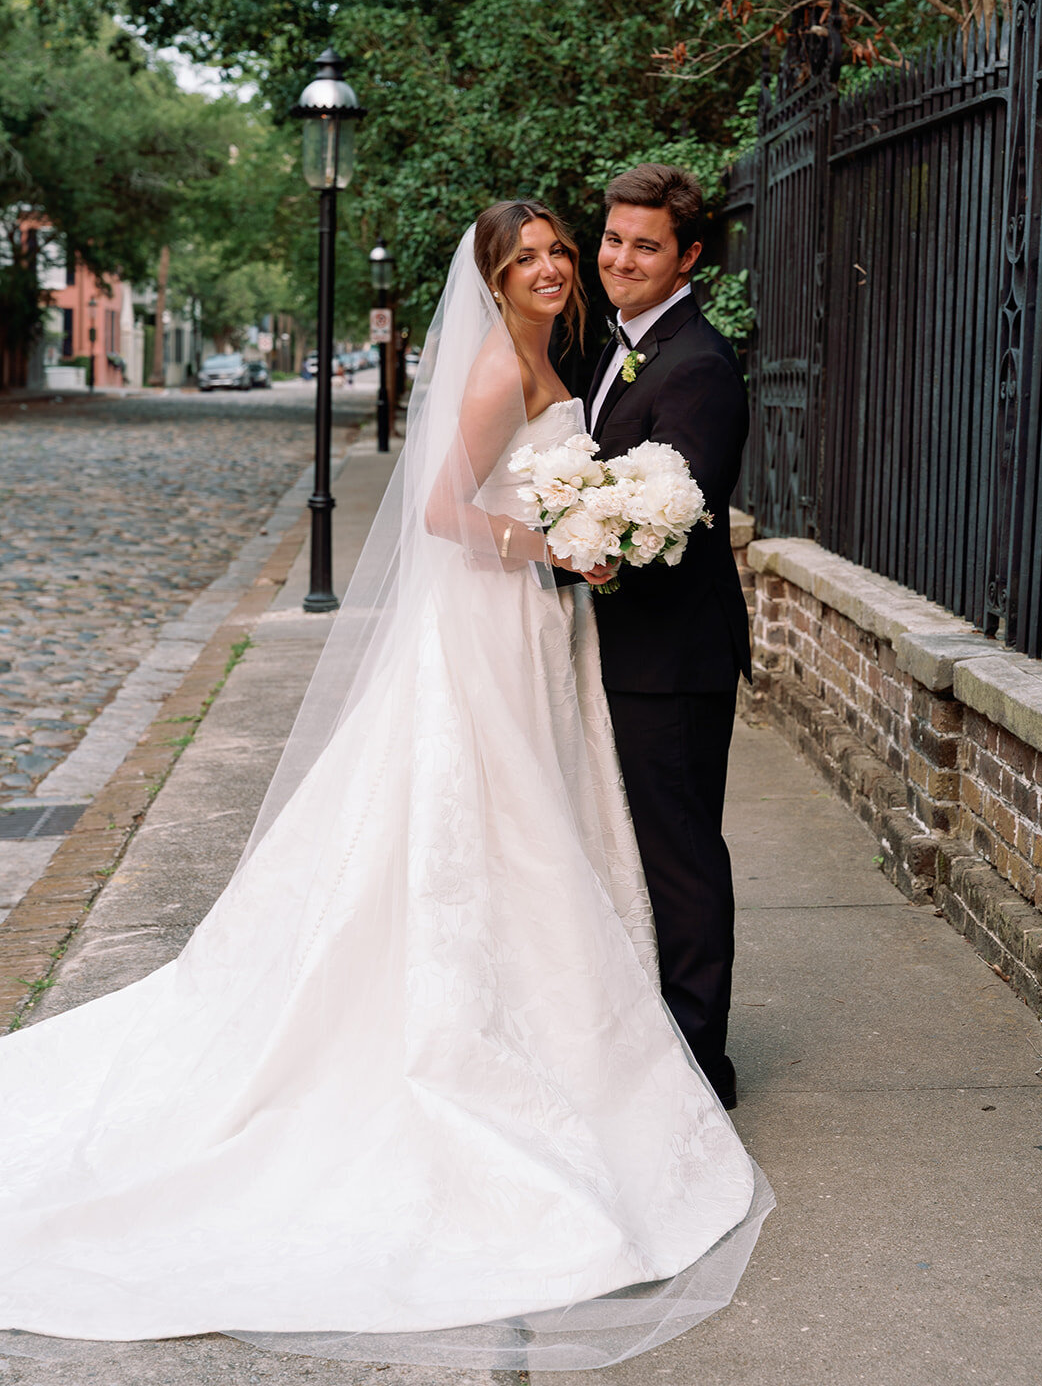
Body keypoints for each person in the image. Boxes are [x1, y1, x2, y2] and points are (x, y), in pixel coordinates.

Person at [0, 202, 770, 1374]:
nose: (558, 267)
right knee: (479, 817)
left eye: (562, 250)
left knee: (537, 818)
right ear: (491, 276)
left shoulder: (555, 358)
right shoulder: (492, 377)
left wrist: (564, 534)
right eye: (531, 258)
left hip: (531, 627)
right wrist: (547, 544)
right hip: (487, 621)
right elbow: (438, 512)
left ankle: (572, 1020)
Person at [582, 164, 751, 1111]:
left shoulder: (697, 365)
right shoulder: (618, 345)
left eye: (646, 246)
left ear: (687, 256)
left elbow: (667, 517)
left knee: (680, 850)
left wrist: (562, 547)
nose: (621, 260)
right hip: (622, 651)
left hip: (671, 660)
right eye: (612, 239)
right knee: (636, 843)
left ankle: (700, 1059)